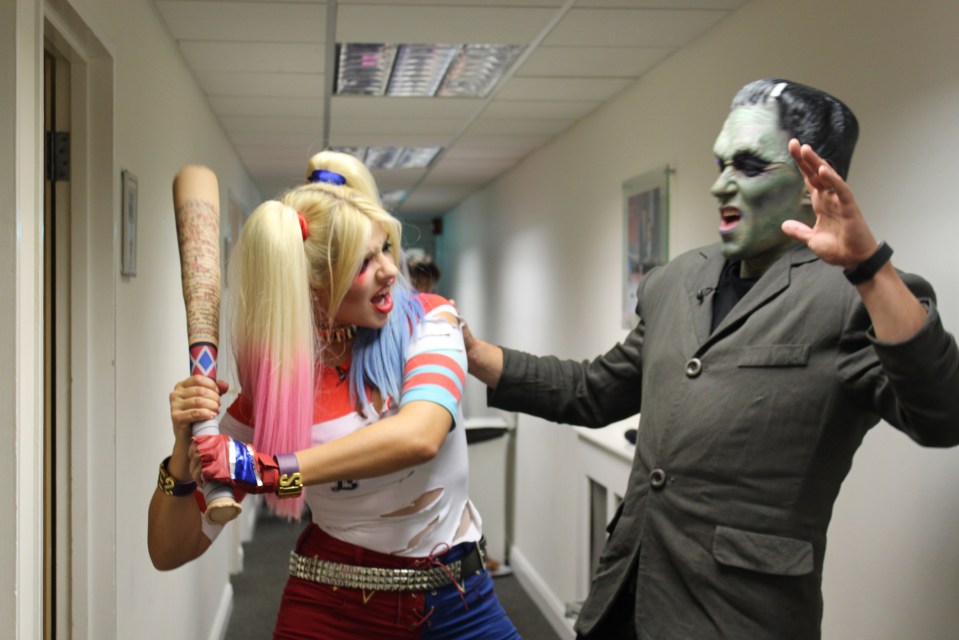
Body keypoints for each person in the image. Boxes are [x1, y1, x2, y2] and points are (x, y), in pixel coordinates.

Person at [463, 78, 959, 640]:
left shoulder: (854, 295)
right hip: (626, 592)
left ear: (811, 184)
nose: (719, 184)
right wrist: (479, 355)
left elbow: (941, 415)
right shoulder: (677, 280)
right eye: (721, 163)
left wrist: (870, 267)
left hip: (738, 614)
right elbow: (593, 390)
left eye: (748, 166)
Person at [148, 151, 520, 640]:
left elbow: (420, 435)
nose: (390, 269)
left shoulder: (429, 322)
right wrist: (184, 450)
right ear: (313, 283)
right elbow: (170, 551)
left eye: (386, 247)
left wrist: (272, 471)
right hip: (331, 607)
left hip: (458, 603)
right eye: (365, 262)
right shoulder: (274, 394)